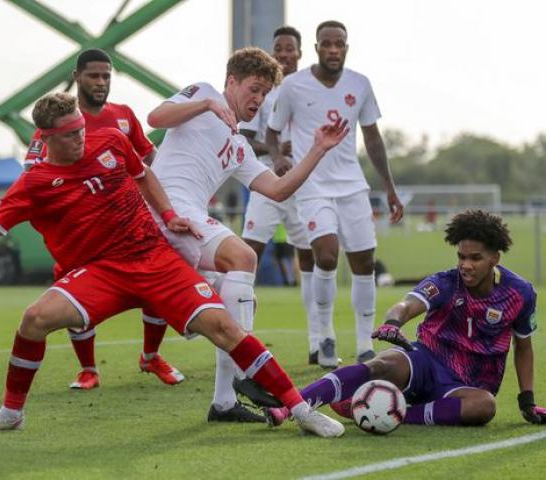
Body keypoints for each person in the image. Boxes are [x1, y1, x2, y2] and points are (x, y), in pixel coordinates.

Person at [0, 92, 345, 438]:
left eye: (80, 128)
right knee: (35, 318)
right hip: (102, 271)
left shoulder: (111, 141)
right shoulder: (33, 183)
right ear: (44, 138)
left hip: (154, 259)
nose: (81, 138)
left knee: (227, 328)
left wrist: (169, 213)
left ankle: (301, 410)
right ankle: (9, 413)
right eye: (69, 134)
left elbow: (144, 175)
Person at [147, 47, 349, 423]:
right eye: (253, 89)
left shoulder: (239, 146)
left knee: (239, 303)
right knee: (244, 257)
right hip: (166, 211)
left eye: (264, 93)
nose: (258, 100)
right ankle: (248, 373)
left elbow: (278, 189)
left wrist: (318, 150)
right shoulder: (204, 93)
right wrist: (207, 104)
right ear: (231, 82)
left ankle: (224, 402)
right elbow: (156, 116)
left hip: (187, 220)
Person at [257, 210, 546, 428]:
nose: (466, 265)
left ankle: (390, 410)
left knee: (484, 407)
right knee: (384, 362)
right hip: (427, 361)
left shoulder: (519, 293)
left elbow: (524, 347)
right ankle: (290, 406)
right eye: (461, 256)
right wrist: (393, 323)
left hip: (467, 385)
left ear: (495, 257)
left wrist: (526, 400)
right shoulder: (446, 282)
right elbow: (407, 304)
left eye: (475, 258)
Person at [24, 48, 182, 390]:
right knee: (74, 294)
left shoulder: (123, 116)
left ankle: (151, 357)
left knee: (156, 287)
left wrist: (175, 192)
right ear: (77, 76)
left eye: (106, 76)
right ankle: (89, 369)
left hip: (129, 228)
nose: (100, 82)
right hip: (81, 232)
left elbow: (150, 158)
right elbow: (32, 169)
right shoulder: (58, 121)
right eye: (93, 75)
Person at [266, 20, 403, 369]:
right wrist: (280, 156)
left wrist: (388, 187)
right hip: (311, 186)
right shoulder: (294, 86)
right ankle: (325, 337)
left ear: (346, 47)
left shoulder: (360, 84)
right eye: (326, 44)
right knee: (325, 257)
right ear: (316, 48)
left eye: (338, 44)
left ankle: (364, 344)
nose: (332, 50)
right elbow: (271, 132)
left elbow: (372, 138)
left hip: (352, 187)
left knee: (365, 264)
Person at [239, 26, 320, 363]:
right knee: (247, 256)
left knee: (310, 260)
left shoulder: (314, 90)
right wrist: (274, 150)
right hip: (268, 182)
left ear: (301, 52)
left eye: (290, 48)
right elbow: (244, 136)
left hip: (305, 187)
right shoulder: (264, 91)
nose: (285, 54)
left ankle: (319, 341)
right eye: (278, 49)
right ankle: (242, 341)